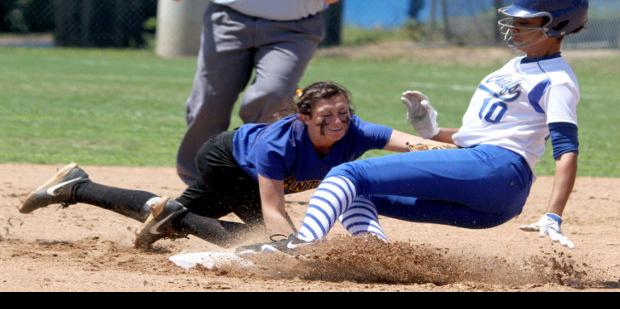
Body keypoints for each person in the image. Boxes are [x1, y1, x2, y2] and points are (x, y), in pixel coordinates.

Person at [237, 0, 588, 256]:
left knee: (346, 173)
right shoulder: (514, 66)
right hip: (491, 192)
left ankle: (300, 246)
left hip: (499, 170)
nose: (515, 26)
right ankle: (379, 257)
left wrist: (553, 214)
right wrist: (432, 131)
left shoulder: (558, 80)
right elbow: (486, 136)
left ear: (558, 25)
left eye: (527, 21)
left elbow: (566, 150)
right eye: (515, 19)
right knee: (354, 195)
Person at [18, 82, 442, 249]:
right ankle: (165, 217)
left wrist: (451, 153)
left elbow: (409, 144)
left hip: (240, 166)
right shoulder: (279, 145)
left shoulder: (356, 131)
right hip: (226, 160)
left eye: (343, 114)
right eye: (325, 117)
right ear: (304, 117)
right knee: (266, 241)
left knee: (171, 212)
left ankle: (75, 186)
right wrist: (288, 243)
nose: (337, 123)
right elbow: (274, 207)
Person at [176, 0, 340, 186]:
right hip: (228, 18)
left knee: (273, 94)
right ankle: (200, 180)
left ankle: (254, 175)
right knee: (209, 102)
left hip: (294, 28)